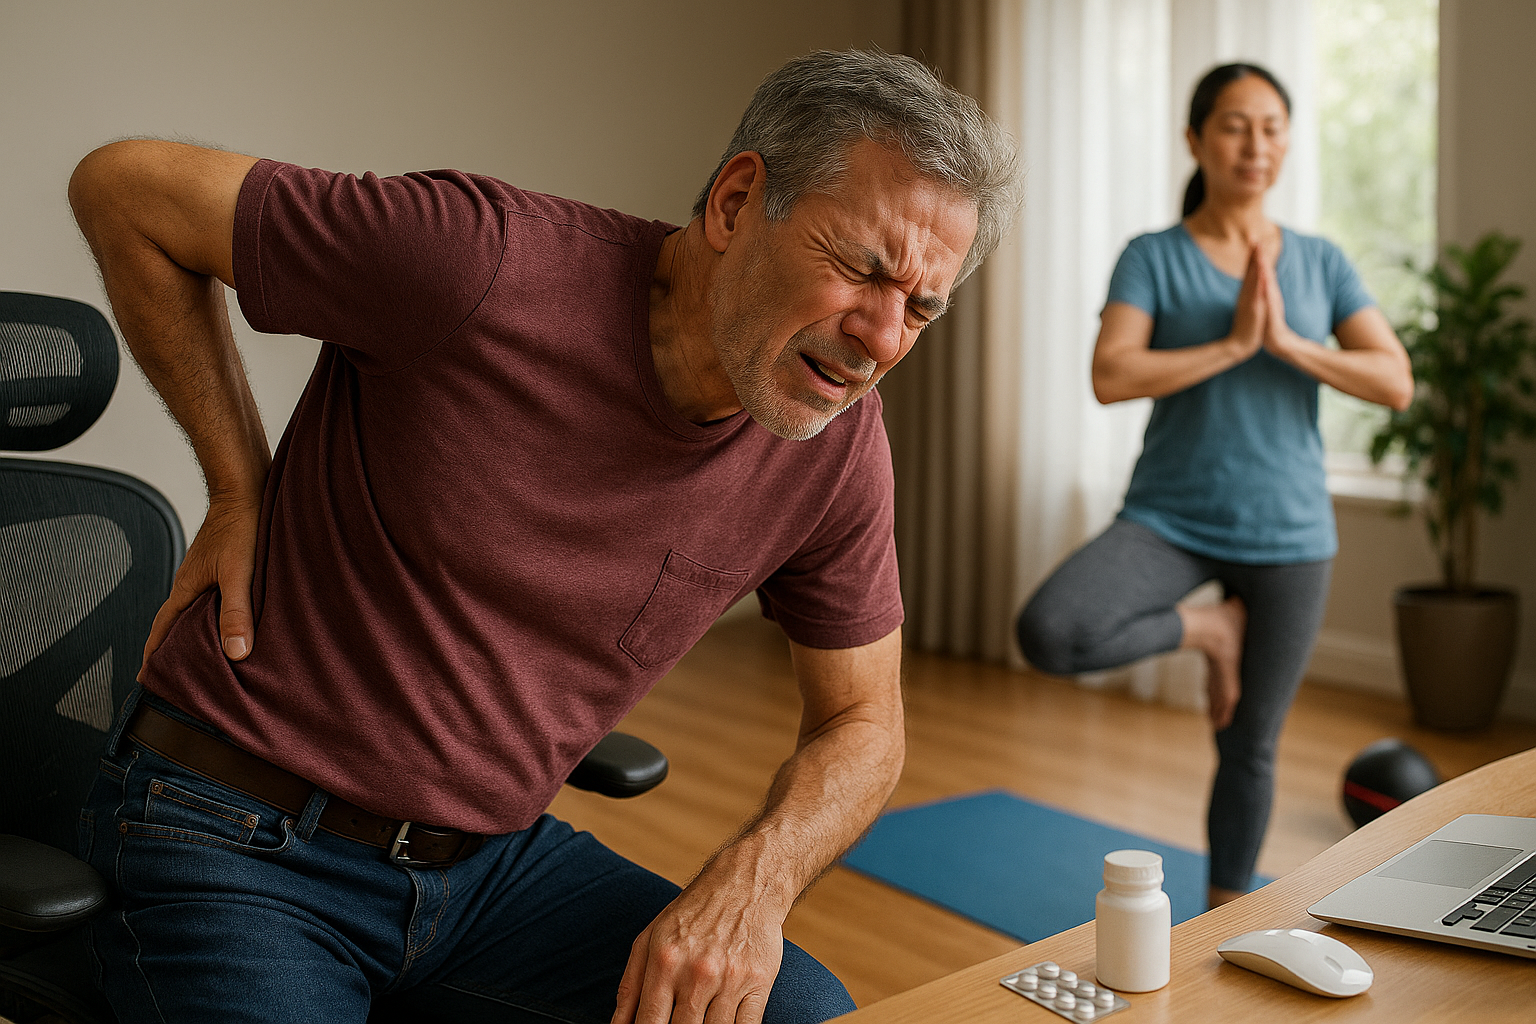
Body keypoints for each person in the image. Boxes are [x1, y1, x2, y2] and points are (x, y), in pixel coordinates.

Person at [67, 49, 1021, 1024]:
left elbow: (865, 724)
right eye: (864, 268)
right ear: (738, 203)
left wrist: (754, 885)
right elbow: (129, 189)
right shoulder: (475, 261)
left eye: (923, 307)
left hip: (489, 873)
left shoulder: (835, 446)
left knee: (803, 1013)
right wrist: (236, 482)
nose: (886, 338)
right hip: (233, 834)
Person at [1014, 63, 1412, 908]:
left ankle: (1224, 916)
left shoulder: (1318, 261)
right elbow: (1111, 374)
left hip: (1290, 533)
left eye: (1272, 126)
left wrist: (1290, 344)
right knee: (1052, 630)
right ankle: (1209, 632)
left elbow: (1394, 379)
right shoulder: (1154, 257)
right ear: (1196, 140)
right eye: (1235, 125)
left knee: (1250, 744)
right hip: (1172, 516)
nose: (1255, 144)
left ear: (1288, 141)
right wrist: (1232, 345)